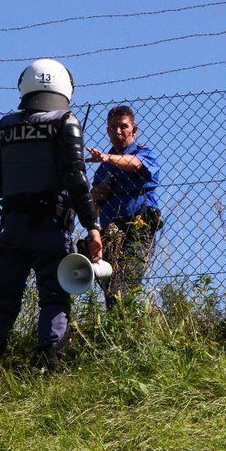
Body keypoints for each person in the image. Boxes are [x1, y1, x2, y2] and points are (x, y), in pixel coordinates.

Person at [0, 58, 103, 371]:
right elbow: (76, 180)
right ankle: (49, 365)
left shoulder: (2, 127)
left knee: (1, 302)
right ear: (66, 86)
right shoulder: (65, 121)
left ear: (24, 85)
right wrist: (92, 226)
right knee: (55, 296)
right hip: (51, 227)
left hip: (12, 228)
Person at [86, 105, 162, 309]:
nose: (118, 131)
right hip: (110, 234)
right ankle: (118, 324)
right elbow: (94, 208)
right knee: (110, 290)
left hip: (137, 229)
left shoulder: (143, 153)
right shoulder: (103, 169)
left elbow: (135, 164)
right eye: (112, 127)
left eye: (123, 126)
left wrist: (108, 158)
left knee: (123, 286)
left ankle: (125, 322)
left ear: (134, 130)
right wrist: (94, 196)